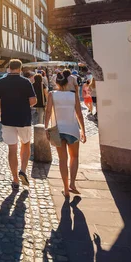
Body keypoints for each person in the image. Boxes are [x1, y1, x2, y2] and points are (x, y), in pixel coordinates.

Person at [0, 59, 37, 190]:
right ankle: (23, 170)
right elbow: (33, 100)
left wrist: (0, 113)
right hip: (23, 118)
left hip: (7, 119)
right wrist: (23, 105)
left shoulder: (2, 82)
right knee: (25, 143)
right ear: (20, 68)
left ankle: (15, 179)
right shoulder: (25, 82)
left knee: (12, 149)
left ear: (9, 67)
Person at [44, 70, 86, 198]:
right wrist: (83, 130)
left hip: (58, 130)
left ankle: (65, 188)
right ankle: (72, 183)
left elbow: (47, 112)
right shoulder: (73, 95)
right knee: (74, 157)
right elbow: (79, 114)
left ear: (56, 83)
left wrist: (46, 127)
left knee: (63, 160)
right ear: (68, 82)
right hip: (72, 129)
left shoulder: (52, 94)